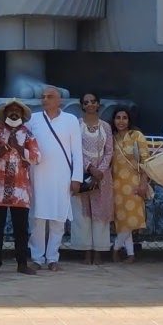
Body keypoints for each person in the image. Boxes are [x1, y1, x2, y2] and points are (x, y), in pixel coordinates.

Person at [25, 86, 80, 271]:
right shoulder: (33, 120)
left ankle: (53, 257)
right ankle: (37, 257)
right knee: (37, 218)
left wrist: (77, 178)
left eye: (50, 97)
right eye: (43, 97)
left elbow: (77, 152)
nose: (45, 99)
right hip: (37, 176)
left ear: (59, 101)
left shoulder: (70, 120)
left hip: (62, 176)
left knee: (58, 217)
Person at [0, 99, 39, 274]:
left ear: (22, 115)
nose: (14, 113)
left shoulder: (28, 134)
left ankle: (22, 263)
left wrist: (19, 148)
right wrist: (2, 150)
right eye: (11, 110)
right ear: (5, 113)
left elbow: (37, 157)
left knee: (21, 229)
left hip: (20, 189)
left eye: (17, 110)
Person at [68, 92, 115, 265]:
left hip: (102, 177)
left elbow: (109, 150)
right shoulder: (77, 125)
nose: (89, 104)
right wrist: (90, 168)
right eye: (86, 102)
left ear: (98, 104)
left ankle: (99, 251)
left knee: (100, 213)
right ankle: (85, 250)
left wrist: (100, 170)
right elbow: (75, 149)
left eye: (93, 101)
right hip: (82, 174)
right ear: (82, 105)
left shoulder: (106, 127)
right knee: (83, 213)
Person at [109, 106, 152, 263]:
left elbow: (145, 161)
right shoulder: (112, 137)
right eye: (118, 118)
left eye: (124, 118)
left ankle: (115, 249)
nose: (121, 121)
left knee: (131, 219)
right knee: (123, 221)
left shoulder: (137, 136)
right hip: (116, 184)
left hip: (133, 182)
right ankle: (131, 254)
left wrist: (143, 183)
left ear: (129, 119)